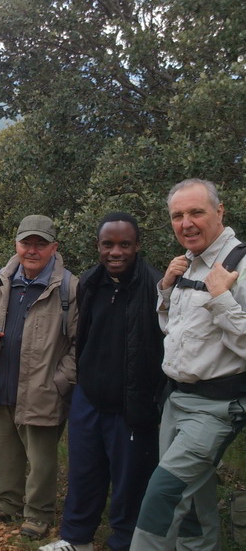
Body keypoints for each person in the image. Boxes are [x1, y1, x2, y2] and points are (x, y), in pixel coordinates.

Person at [130, 179, 246, 550]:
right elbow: (176, 331)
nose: (186, 223)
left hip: (216, 407)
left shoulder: (239, 267)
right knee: (194, 502)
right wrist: (165, 288)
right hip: (176, 402)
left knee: (162, 497)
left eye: (196, 212)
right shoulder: (188, 264)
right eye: (178, 216)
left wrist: (221, 298)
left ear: (220, 212)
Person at [40, 213, 165, 551]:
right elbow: (85, 338)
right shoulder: (91, 283)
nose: (116, 252)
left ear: (138, 245)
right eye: (108, 244)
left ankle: (124, 542)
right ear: (97, 246)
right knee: (84, 474)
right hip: (90, 398)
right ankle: (76, 539)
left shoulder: (156, 287)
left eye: (125, 244)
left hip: (132, 405)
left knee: (130, 482)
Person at [0, 214, 77, 539]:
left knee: (41, 460)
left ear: (53, 247)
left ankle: (38, 513)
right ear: (16, 244)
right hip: (1, 381)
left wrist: (61, 380)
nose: (32, 250)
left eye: (40, 244)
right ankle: (6, 503)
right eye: (26, 243)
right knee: (0, 449)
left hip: (42, 389)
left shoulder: (70, 287)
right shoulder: (3, 279)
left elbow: (81, 344)